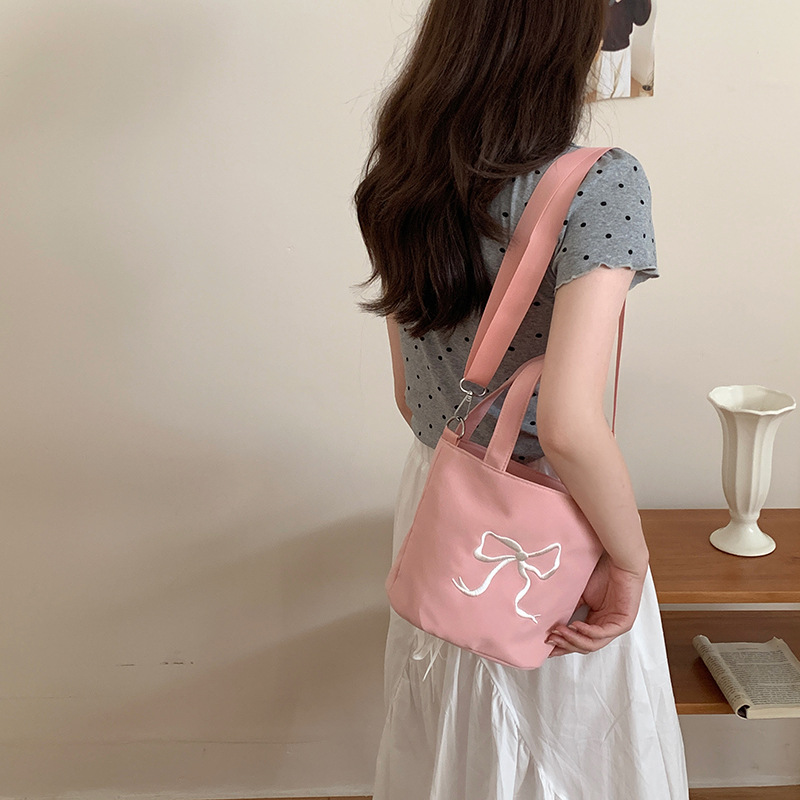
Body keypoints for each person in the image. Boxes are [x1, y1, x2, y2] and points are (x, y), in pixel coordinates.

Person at [352, 1, 689, 797]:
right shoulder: (603, 181)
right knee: (570, 752)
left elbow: (411, 397)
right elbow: (568, 426)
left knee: (452, 741)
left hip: (441, 496)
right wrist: (629, 563)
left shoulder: (401, 174)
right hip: (550, 521)